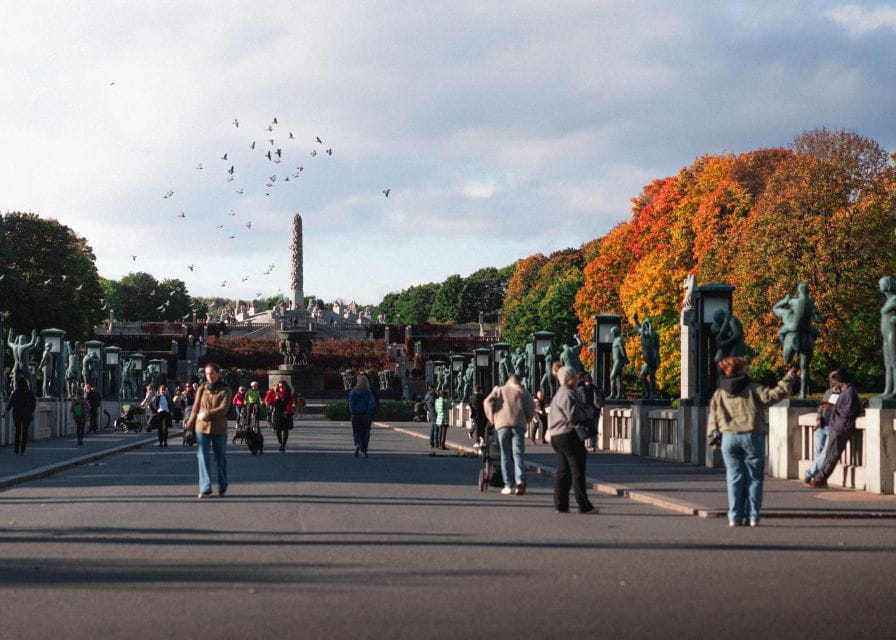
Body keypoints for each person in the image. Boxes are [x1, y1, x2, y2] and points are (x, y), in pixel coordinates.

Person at [709, 357, 796, 526]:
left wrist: (713, 437)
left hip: (729, 437)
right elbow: (773, 396)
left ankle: (734, 516)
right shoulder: (752, 388)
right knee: (754, 478)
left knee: (734, 477)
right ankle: (753, 516)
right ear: (742, 370)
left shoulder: (720, 393)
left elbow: (713, 416)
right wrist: (787, 379)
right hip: (751, 435)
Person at [547, 367, 596, 513]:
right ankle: (584, 505)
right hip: (568, 434)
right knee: (577, 470)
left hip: (557, 435)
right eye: (574, 377)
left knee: (563, 471)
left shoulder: (558, 394)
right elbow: (573, 415)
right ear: (569, 379)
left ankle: (560, 504)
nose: (577, 379)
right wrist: (588, 413)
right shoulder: (568, 394)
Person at [805, 370, 862, 489]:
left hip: (841, 427)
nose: (834, 383)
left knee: (831, 455)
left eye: (835, 381)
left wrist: (831, 407)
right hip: (836, 426)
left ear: (841, 381)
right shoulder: (845, 391)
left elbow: (849, 412)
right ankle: (820, 478)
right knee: (828, 455)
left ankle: (820, 479)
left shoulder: (850, 392)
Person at [184, 363, 232, 498]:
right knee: (202, 457)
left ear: (218, 374)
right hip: (201, 428)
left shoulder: (225, 390)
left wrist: (207, 414)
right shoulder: (201, 389)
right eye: (207, 374)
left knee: (220, 458)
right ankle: (205, 487)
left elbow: (224, 409)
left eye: (212, 373)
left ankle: (223, 485)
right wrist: (189, 427)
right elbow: (195, 408)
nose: (210, 376)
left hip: (219, 428)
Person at [484, 374, 535, 496]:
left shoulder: (500, 390)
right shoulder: (523, 391)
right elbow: (531, 406)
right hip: (519, 425)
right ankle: (520, 480)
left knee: (505, 455)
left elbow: (487, 402)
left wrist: (492, 418)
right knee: (518, 455)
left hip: (502, 424)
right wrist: (527, 419)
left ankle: (508, 485)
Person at [803, 379, 840, 484]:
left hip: (832, 427)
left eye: (834, 379)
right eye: (831, 379)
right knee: (818, 453)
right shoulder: (828, 392)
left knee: (825, 454)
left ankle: (809, 473)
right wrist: (818, 417)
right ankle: (818, 479)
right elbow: (820, 408)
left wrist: (831, 407)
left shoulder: (843, 394)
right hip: (822, 426)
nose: (832, 382)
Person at [4, 379, 37, 455]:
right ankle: (23, 450)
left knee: (17, 431)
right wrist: (31, 411)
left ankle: (16, 450)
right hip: (26, 414)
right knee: (25, 432)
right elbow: (33, 404)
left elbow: (11, 403)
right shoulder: (29, 393)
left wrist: (6, 411)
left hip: (17, 414)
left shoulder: (16, 392)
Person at [348, 374, 376, 457]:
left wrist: (352, 412)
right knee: (366, 432)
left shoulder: (353, 392)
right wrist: (369, 411)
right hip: (366, 415)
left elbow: (351, 404)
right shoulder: (368, 392)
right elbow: (371, 403)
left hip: (355, 415)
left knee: (356, 432)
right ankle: (364, 449)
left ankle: (357, 444)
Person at [272, 381, 295, 452]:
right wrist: (276, 398)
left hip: (286, 413)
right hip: (277, 413)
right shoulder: (275, 394)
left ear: (286, 387)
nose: (281, 388)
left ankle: (283, 445)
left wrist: (287, 411)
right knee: (278, 430)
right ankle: (281, 443)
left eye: (283, 386)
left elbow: (290, 403)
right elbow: (272, 403)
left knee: (285, 430)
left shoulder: (288, 395)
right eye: (280, 387)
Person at [424, 384, 438, 448]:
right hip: (434, 412)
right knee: (436, 429)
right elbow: (436, 403)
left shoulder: (427, 395)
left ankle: (431, 442)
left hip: (430, 412)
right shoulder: (433, 396)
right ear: (433, 389)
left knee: (432, 428)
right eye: (435, 388)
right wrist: (437, 395)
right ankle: (436, 443)